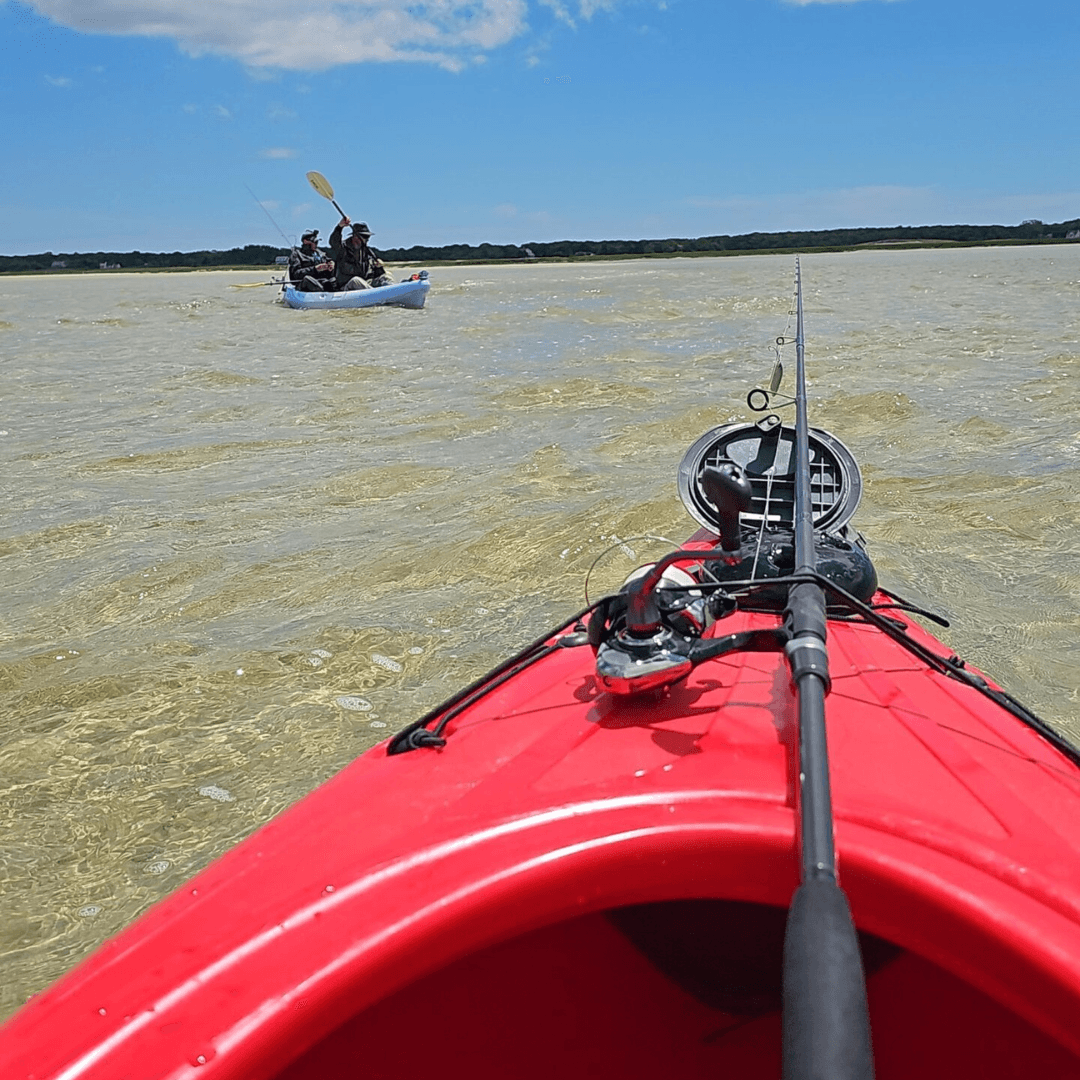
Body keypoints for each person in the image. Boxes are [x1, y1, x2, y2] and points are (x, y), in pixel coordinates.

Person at [329, 217, 393, 291]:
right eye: (365, 236)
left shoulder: (367, 252)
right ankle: (378, 295)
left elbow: (375, 274)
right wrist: (340, 227)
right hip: (346, 286)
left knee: (387, 276)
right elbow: (334, 241)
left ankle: (394, 294)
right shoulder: (343, 248)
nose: (367, 239)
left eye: (368, 236)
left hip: (365, 284)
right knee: (356, 281)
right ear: (355, 236)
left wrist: (378, 267)